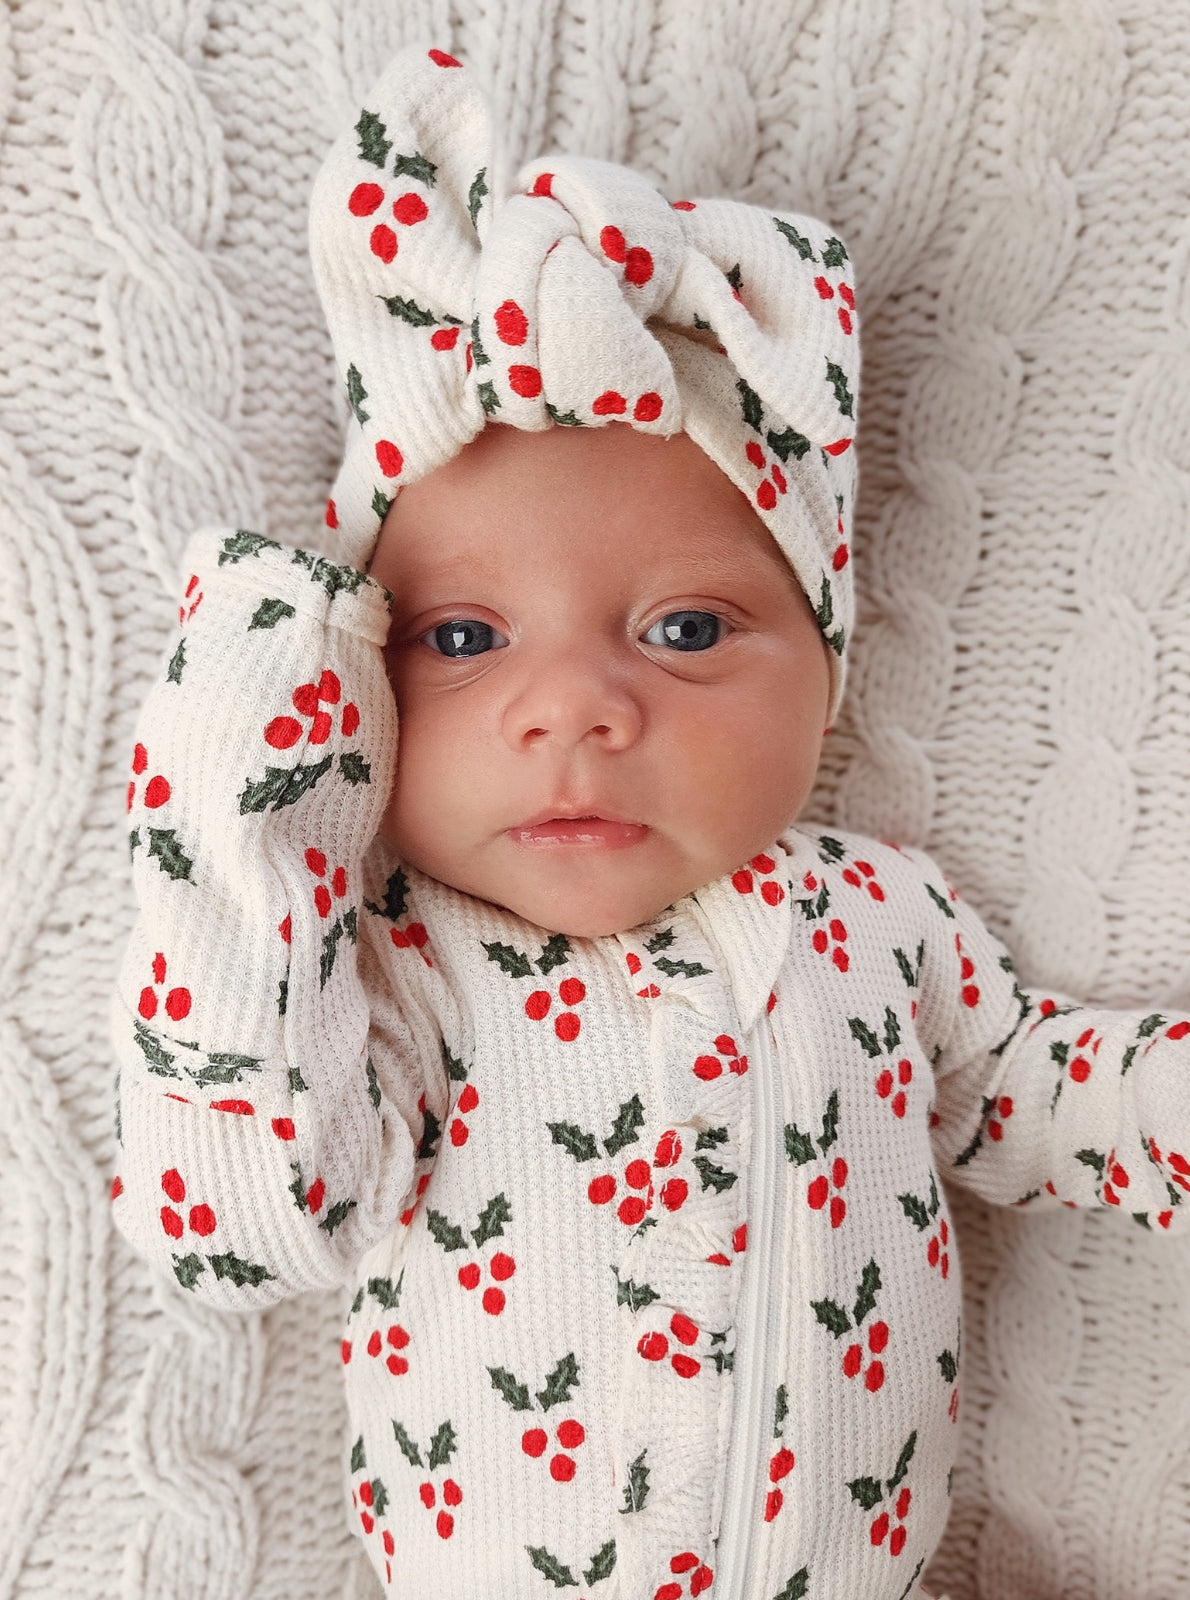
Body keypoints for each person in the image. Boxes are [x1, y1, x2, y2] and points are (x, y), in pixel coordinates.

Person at [110, 45, 1190, 1600]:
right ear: (358, 684)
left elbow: (1027, 1093)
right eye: (464, 642)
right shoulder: (399, 975)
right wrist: (244, 773)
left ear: (823, 673)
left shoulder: (874, 920)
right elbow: (235, 1216)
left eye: (685, 633)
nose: (574, 711)